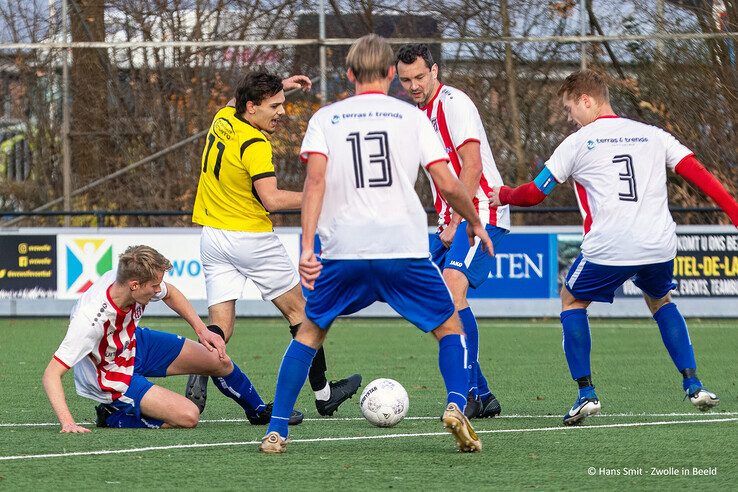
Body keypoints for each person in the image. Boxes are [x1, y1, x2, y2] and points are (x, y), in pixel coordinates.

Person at [259, 34, 494, 454]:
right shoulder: (413, 118)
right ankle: (457, 404)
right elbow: (447, 181)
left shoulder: (325, 119)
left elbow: (314, 184)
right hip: (401, 247)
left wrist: (308, 247)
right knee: (449, 327)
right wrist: (474, 220)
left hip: (342, 248)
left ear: (349, 74)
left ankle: (277, 429)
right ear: (390, 74)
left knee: (310, 332)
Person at [489, 69, 738, 425]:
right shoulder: (653, 135)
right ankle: (694, 384)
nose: (569, 116)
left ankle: (586, 393)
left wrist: (502, 195)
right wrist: (735, 213)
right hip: (659, 243)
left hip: (611, 244)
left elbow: (534, 193)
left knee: (571, 299)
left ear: (586, 101)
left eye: (570, 107)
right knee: (661, 301)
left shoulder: (577, 143)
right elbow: (700, 174)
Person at [189, 72, 361, 417]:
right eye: (274, 106)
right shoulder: (255, 144)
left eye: (281, 104)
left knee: (222, 324)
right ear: (251, 108)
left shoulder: (224, 117)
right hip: (250, 238)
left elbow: (233, 101)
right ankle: (324, 394)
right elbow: (270, 199)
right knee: (302, 313)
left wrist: (282, 85)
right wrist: (321, 195)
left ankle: (198, 371)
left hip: (212, 237)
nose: (281, 112)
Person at [42, 245, 278, 431]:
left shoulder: (130, 282)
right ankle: (114, 416)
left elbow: (171, 293)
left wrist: (201, 330)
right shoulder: (90, 319)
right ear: (134, 285)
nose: (158, 290)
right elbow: (51, 374)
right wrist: (68, 422)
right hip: (111, 376)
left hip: (134, 343)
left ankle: (258, 411)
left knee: (217, 359)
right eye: (154, 286)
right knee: (188, 416)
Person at [395, 43, 509, 419]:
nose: (413, 85)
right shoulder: (415, 116)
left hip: (480, 213)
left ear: (435, 71)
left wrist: (460, 220)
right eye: (405, 79)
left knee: (451, 287)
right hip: (451, 219)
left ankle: (471, 392)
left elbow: (472, 166)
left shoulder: (454, 103)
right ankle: (483, 391)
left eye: (419, 77)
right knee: (432, 301)